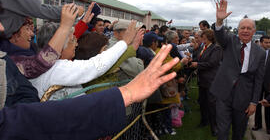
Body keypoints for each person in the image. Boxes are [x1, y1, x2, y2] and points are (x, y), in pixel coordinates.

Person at [0, 43, 180, 140]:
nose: (1, 27)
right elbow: (93, 67)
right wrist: (128, 93)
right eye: (72, 39)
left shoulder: (7, 62)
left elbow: (26, 108)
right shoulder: (59, 68)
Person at [210, 0, 265, 140]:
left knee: (239, 133)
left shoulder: (260, 52)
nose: (245, 31)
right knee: (222, 131)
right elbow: (220, 35)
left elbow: (259, 79)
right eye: (242, 28)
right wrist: (219, 21)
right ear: (238, 30)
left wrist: (254, 102)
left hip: (244, 97)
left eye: (249, 28)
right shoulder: (229, 41)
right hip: (224, 93)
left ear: (254, 31)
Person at [190, 29, 222, 136]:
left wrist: (197, 65)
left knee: (212, 104)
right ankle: (204, 121)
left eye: (204, 38)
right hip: (202, 80)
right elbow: (199, 59)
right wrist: (192, 61)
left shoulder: (216, 48)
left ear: (209, 38)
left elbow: (212, 63)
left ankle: (215, 127)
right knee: (203, 103)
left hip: (211, 80)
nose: (202, 40)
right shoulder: (204, 47)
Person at [252, 35, 270, 133]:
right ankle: (257, 124)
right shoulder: (256, 53)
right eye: (266, 42)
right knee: (257, 104)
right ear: (261, 42)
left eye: (269, 42)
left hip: (268, 84)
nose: (268, 44)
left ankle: (268, 127)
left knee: (268, 105)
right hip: (257, 83)